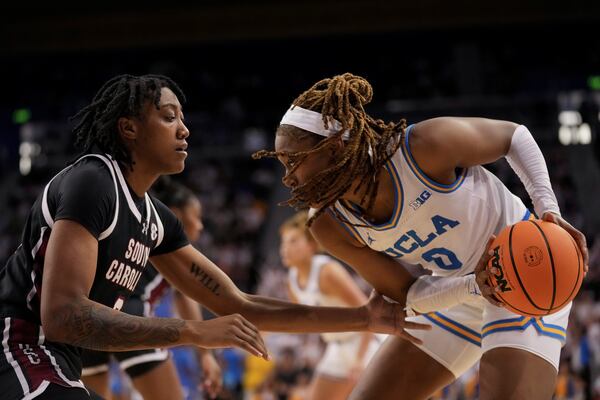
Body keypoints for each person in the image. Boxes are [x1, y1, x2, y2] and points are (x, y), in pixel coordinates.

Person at [0, 74, 424, 400]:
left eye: (183, 118)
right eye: (168, 117)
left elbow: (239, 305)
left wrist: (367, 318)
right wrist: (192, 332)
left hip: (58, 364)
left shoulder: (156, 220)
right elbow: (61, 315)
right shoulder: (94, 180)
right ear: (128, 128)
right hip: (17, 348)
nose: (184, 129)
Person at [253, 72, 589, 399]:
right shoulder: (328, 225)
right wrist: (473, 286)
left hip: (523, 271)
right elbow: (406, 292)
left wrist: (549, 210)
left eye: (293, 161)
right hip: (456, 290)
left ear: (336, 146)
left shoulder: (422, 147)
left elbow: (514, 137)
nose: (289, 179)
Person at [80, 177, 222, 399]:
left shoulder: (135, 230)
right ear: (175, 214)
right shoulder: (171, 249)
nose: (201, 225)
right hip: (131, 318)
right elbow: (187, 296)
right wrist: (205, 355)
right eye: (197, 217)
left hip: (88, 320)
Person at [279, 211, 382, 400]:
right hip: (336, 346)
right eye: (283, 242)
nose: (285, 248)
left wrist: (359, 360)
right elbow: (300, 321)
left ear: (311, 245)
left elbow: (370, 313)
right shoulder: (291, 279)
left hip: (365, 342)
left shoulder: (327, 272)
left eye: (293, 241)